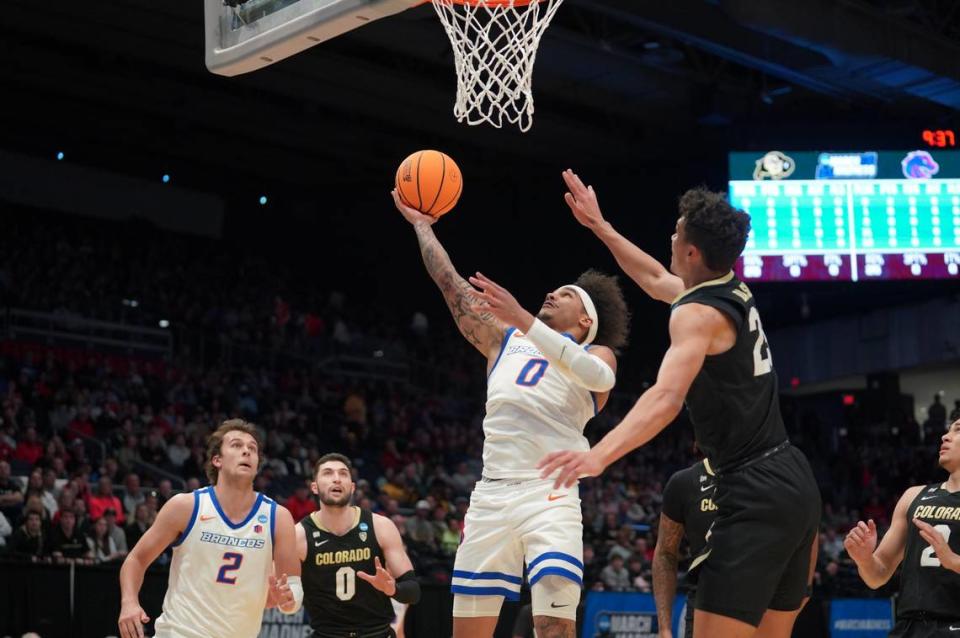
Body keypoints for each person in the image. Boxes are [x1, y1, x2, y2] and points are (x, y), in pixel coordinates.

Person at [540, 172, 820, 638]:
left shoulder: (698, 315)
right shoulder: (729, 288)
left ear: (691, 252)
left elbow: (666, 397)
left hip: (754, 488)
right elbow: (653, 279)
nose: (670, 236)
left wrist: (598, 455)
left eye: (676, 231)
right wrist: (599, 225)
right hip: (792, 478)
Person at [394, 189, 631, 638]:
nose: (551, 293)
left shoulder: (594, 351)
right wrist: (421, 225)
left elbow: (600, 379)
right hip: (491, 496)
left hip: (551, 494)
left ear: (586, 320)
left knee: (552, 626)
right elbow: (450, 284)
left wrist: (524, 317)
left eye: (566, 295)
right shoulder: (505, 339)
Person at [118, 419, 301, 638]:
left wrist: (287, 601)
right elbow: (136, 559)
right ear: (217, 460)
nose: (246, 451)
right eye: (236, 445)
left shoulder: (278, 517)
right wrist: (129, 602)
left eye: (252, 448)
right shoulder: (186, 506)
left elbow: (291, 586)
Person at [845, 418, 960, 637]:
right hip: (909, 627)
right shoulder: (913, 496)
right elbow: (877, 576)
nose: (945, 436)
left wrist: (954, 561)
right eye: (947, 430)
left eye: (958, 430)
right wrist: (864, 558)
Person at [296, 453, 420, 638]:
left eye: (343, 474)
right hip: (327, 634)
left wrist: (392, 588)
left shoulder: (380, 526)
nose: (336, 479)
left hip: (377, 633)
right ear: (314, 486)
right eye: (328, 473)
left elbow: (413, 591)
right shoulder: (298, 535)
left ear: (352, 487)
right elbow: (284, 594)